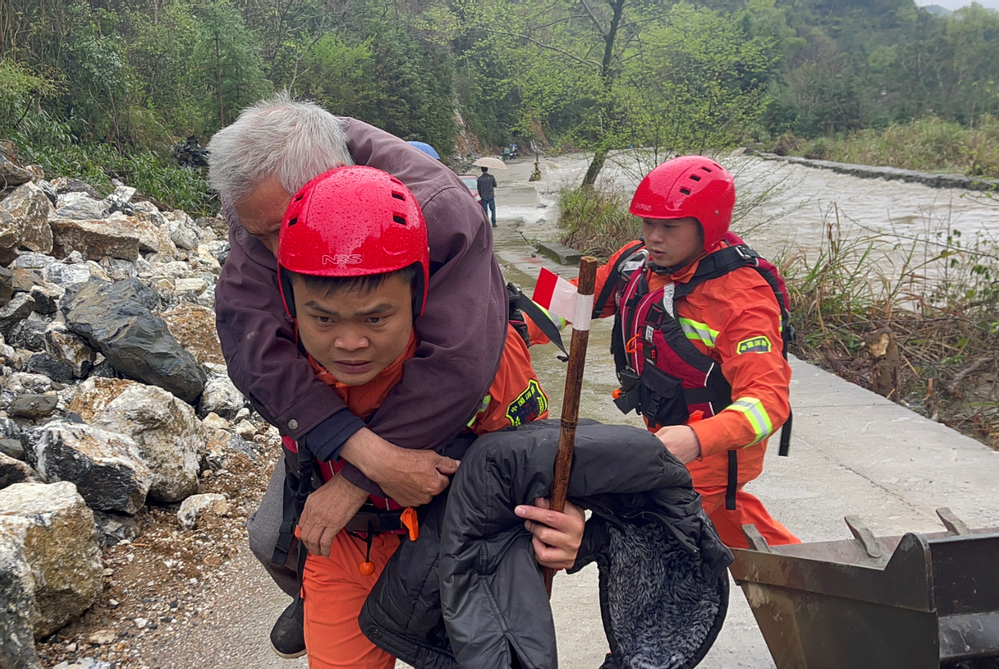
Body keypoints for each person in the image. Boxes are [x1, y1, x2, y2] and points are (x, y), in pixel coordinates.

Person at [208, 93, 511, 658]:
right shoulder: (260, 203)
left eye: (280, 231)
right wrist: (363, 457)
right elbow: (249, 343)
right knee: (271, 536)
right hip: (348, 412)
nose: (277, 255)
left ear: (335, 181)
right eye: (261, 236)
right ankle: (315, 596)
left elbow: (459, 363)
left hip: (444, 424)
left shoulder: (437, 206)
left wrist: (355, 482)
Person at [275, 165, 584, 668]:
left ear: (419, 296)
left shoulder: (486, 355)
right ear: (291, 304)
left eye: (377, 317)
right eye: (323, 318)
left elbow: (533, 466)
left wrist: (565, 523)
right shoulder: (280, 357)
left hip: (459, 558)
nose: (349, 343)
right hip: (344, 550)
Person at [566, 155, 800, 549]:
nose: (653, 237)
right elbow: (572, 302)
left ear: (706, 228)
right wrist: (504, 316)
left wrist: (697, 437)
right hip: (668, 437)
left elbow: (768, 403)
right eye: (647, 223)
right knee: (743, 534)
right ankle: (816, 589)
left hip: (711, 453)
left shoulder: (742, 300)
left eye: (669, 227)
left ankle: (813, 589)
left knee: (644, 545)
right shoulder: (636, 264)